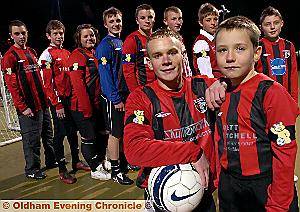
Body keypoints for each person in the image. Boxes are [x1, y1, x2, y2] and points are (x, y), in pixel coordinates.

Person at [123, 28, 224, 211]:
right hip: (163, 196)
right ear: (150, 61)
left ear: (183, 54)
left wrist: (224, 82)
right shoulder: (140, 98)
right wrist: (193, 152)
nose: (166, 61)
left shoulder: (203, 87)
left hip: (204, 192)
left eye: (172, 52)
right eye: (157, 55)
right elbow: (134, 149)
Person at [213, 16, 299, 212]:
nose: (230, 57)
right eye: (222, 50)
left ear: (257, 52)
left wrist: (279, 204)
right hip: (231, 187)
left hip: (265, 187)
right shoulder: (218, 93)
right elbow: (220, 143)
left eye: (240, 48)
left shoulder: (271, 94)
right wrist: (221, 187)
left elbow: (284, 154)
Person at [1, 20, 56, 179]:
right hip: (28, 107)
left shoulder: (31, 51)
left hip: (42, 104)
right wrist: (22, 106)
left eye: (23, 33)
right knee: (32, 140)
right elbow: (12, 86)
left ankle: (51, 161)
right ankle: (32, 169)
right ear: (11, 36)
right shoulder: (9, 57)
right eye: (17, 33)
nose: (21, 36)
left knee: (48, 135)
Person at [38, 20, 90, 184]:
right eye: (55, 33)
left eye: (61, 33)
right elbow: (47, 84)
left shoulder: (67, 53)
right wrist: (57, 104)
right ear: (48, 36)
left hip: (70, 101)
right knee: (60, 134)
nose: (59, 36)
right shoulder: (46, 55)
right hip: (59, 103)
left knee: (73, 131)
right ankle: (62, 170)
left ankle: (76, 161)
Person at [95, 7, 133, 185]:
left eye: (118, 20)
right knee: (115, 133)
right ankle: (116, 171)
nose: (116, 24)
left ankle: (125, 163)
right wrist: (115, 98)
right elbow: (105, 75)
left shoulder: (121, 42)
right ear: (105, 24)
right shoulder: (105, 45)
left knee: (123, 131)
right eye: (112, 21)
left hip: (125, 96)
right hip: (114, 98)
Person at [67, 24, 110, 180]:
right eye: (85, 36)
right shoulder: (77, 55)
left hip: (97, 104)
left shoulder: (94, 53)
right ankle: (94, 168)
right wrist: (87, 109)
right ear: (79, 38)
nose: (89, 38)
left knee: (102, 133)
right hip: (82, 106)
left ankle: (100, 161)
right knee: (89, 137)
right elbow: (78, 86)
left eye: (91, 35)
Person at [256, 6, 298, 104]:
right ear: (261, 27)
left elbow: (293, 75)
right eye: (267, 24)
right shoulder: (257, 46)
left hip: (285, 98)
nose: (272, 27)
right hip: (263, 99)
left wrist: (294, 101)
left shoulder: (289, 46)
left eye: (276, 23)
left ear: (281, 23)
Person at [122, 4, 156, 92]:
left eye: (150, 17)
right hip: (143, 89)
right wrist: (135, 93)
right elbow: (128, 70)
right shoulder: (131, 40)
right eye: (142, 18)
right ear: (137, 20)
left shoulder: (157, 38)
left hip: (159, 87)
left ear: (154, 19)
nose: (147, 21)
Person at [192, 3, 222, 78]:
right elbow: (205, 73)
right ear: (200, 23)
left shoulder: (215, 40)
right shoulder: (201, 43)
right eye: (208, 20)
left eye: (215, 19)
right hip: (212, 86)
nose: (213, 23)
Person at [163, 6, 192, 77]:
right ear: (165, 21)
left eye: (180, 18)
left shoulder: (179, 37)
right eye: (174, 19)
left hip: (186, 78)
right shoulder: (164, 40)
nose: (178, 22)